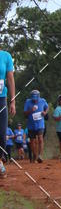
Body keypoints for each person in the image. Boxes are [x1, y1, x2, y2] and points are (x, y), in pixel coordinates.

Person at [0, 47, 16, 177]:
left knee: (2, 132)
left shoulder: (6, 56)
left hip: (1, 99)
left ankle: (0, 161)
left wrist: (13, 101)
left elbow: (10, 79)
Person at [23, 88, 49, 163]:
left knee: (40, 139)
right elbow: (25, 113)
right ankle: (35, 155)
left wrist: (45, 112)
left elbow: (47, 107)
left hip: (40, 124)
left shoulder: (43, 100)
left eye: (36, 99)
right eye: (33, 99)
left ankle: (40, 155)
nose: (34, 100)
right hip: (31, 125)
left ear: (38, 97)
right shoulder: (28, 102)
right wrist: (31, 110)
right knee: (32, 141)